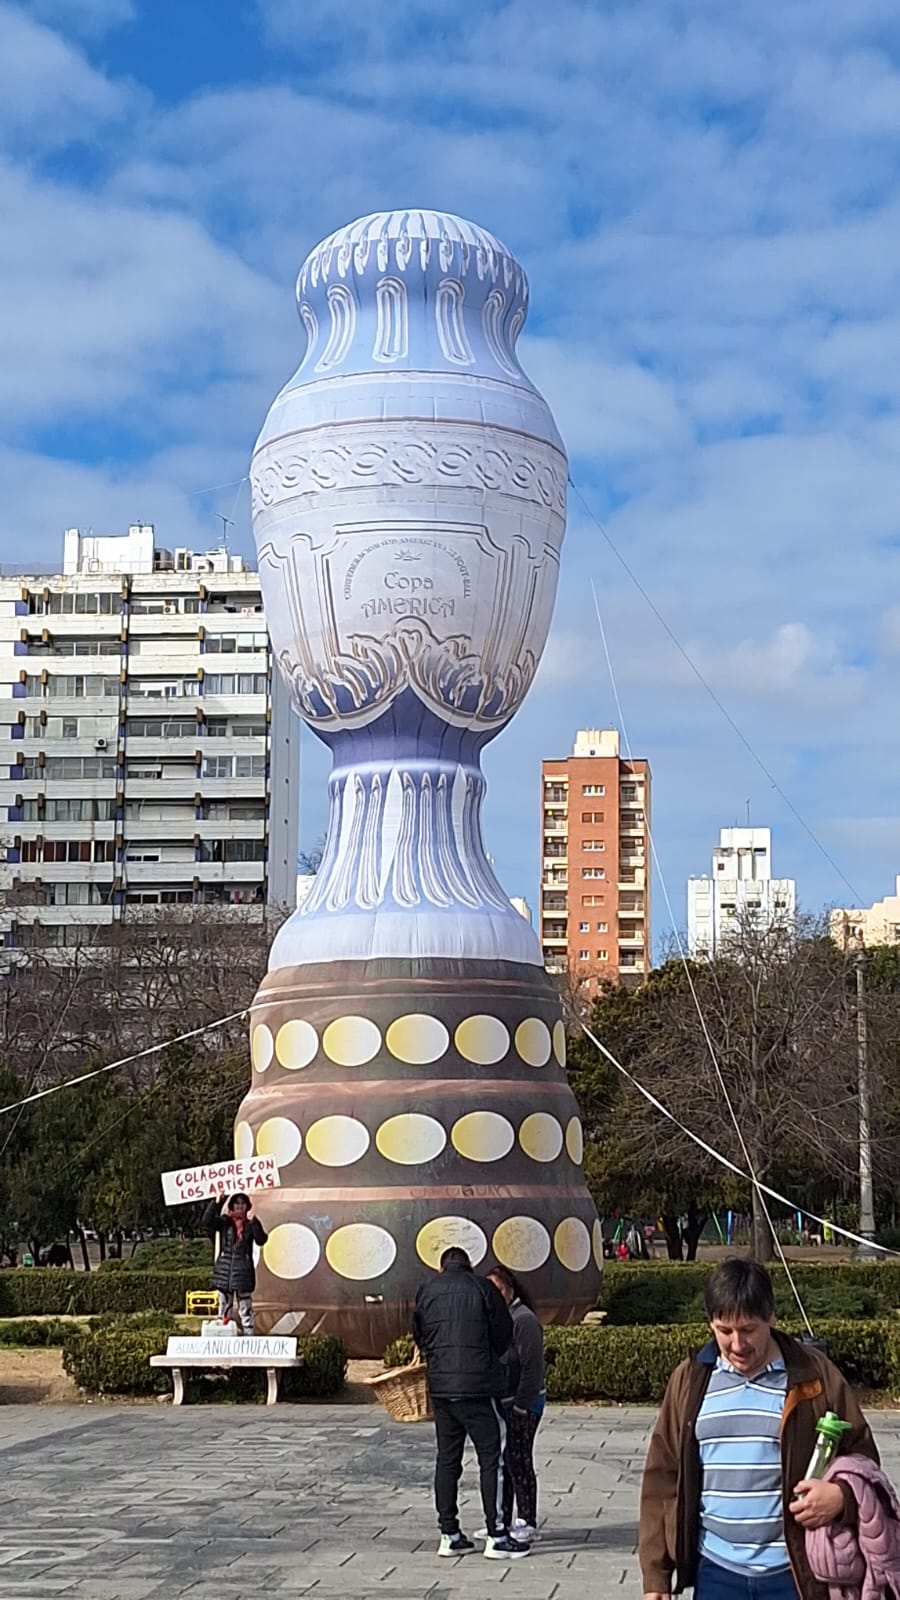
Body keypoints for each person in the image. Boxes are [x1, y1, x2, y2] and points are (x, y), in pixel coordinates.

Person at [639, 1257, 878, 1600]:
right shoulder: (691, 1379)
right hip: (716, 1570)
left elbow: (863, 1455)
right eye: (725, 1331)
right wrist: (656, 1576)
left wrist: (841, 1497)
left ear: (771, 1317)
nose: (738, 1344)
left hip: (794, 1571)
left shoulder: (812, 1375)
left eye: (749, 1329)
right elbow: (662, 1477)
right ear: (711, 1324)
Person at [412, 1246, 530, 1561]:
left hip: (441, 1390)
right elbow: (503, 1334)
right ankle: (497, 1535)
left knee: (447, 1460)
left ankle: (449, 1534)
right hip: (478, 1388)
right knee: (494, 1457)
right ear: (470, 1265)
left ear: (442, 1267)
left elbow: (419, 1334)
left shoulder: (427, 1290)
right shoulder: (483, 1288)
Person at [487, 1265, 546, 1544]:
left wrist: (522, 1406)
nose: (497, 1295)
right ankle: (506, 1518)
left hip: (526, 1402)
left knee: (520, 1458)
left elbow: (532, 1369)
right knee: (508, 1459)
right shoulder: (501, 1319)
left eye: (500, 1289)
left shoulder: (523, 1320)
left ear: (510, 1287)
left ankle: (527, 1518)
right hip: (506, 1400)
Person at [203, 1191, 267, 1336]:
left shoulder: (250, 1223)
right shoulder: (225, 1222)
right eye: (237, 1203)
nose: (240, 1206)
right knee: (224, 1309)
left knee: (245, 1308)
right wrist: (216, 1202)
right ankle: (222, 1335)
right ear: (232, 1205)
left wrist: (255, 1223)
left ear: (247, 1206)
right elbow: (207, 1222)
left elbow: (261, 1240)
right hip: (224, 1273)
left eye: (243, 1203)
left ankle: (249, 1338)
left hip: (243, 1272)